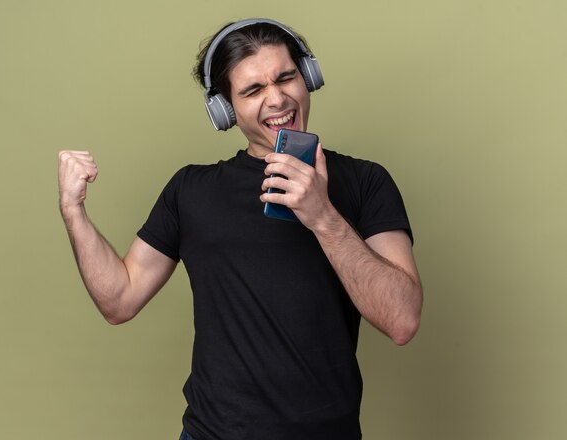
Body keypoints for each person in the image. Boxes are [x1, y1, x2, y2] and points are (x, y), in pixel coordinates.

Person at [58, 18, 422, 440]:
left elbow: (402, 320)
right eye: (252, 90)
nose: (277, 98)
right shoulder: (191, 191)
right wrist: (73, 210)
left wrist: (323, 216)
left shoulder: (365, 182)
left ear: (308, 77)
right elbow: (118, 300)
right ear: (225, 110)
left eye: (286, 77)